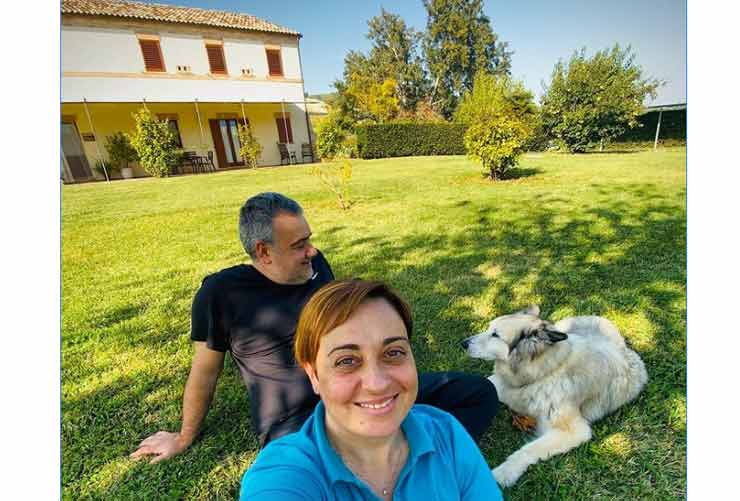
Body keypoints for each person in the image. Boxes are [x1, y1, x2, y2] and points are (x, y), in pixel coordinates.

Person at [131, 192, 498, 464]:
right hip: (295, 419)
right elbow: (204, 372)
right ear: (263, 252)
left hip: (352, 387)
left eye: (309, 239)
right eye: (299, 244)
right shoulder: (222, 292)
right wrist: (183, 436)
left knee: (479, 393)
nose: (312, 250)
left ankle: (427, 461)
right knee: (332, 465)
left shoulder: (317, 267)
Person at [241, 279, 503, 500]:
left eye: (393, 352)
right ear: (314, 375)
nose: (376, 383)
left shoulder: (448, 434)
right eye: (346, 361)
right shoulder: (285, 476)